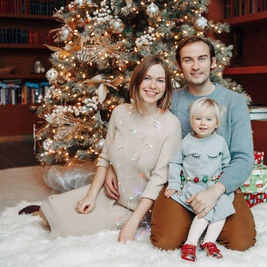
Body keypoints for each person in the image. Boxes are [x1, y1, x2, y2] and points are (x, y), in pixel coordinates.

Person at [105, 36, 257, 251]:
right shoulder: (168, 99)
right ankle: (192, 224)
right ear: (179, 65)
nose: (195, 66)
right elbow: (137, 131)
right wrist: (113, 165)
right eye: (188, 60)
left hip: (218, 185)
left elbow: (243, 158)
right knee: (165, 241)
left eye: (202, 59)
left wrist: (214, 192)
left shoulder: (234, 102)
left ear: (213, 62)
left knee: (241, 242)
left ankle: (204, 222)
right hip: (178, 186)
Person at [20, 55, 182, 241]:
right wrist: (91, 196)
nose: (153, 86)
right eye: (147, 78)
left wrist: (133, 222)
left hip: (133, 207)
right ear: (137, 81)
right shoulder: (120, 112)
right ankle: (49, 212)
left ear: (166, 87)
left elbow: (158, 181)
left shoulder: (171, 125)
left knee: (64, 227)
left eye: (160, 80)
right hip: (109, 193)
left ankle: (58, 216)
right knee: (52, 208)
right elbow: (105, 158)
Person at [165, 98, 232, 262]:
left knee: (222, 210)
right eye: (198, 118)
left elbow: (226, 164)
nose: (203, 123)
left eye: (209, 119)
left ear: (217, 123)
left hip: (214, 187)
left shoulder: (220, 142)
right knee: (205, 210)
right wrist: (174, 183)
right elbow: (175, 162)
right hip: (193, 186)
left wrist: (227, 185)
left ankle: (209, 241)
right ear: (191, 120)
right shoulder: (186, 142)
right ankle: (190, 243)